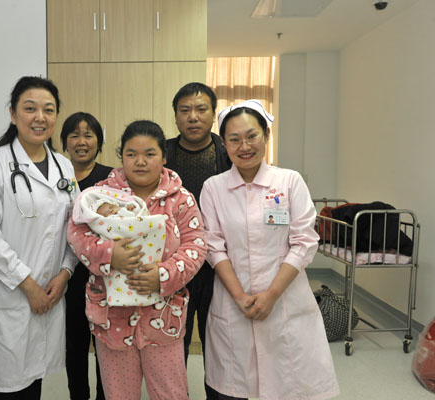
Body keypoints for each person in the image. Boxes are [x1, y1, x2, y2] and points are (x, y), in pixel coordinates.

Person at [199, 100, 339, 399]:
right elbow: (213, 246)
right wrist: (239, 296)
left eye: (252, 136)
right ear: (224, 144)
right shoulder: (213, 187)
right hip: (233, 303)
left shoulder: (289, 181)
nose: (244, 146)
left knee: (289, 384)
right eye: (234, 139)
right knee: (233, 385)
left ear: (266, 135)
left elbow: (304, 242)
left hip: (286, 300)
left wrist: (272, 295)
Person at [68, 120, 207, 400]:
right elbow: (77, 235)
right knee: (118, 395)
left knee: (171, 395)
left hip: (164, 317)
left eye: (149, 154)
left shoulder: (181, 199)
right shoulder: (99, 194)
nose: (140, 162)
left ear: (164, 157)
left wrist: (162, 275)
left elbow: (196, 246)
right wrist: (110, 255)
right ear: (122, 157)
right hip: (112, 320)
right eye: (131, 154)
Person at [0, 76, 79, 399]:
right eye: (30, 108)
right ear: (13, 114)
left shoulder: (64, 167)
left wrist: (65, 273)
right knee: (9, 387)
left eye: (48, 110)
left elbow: (76, 228)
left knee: (33, 382)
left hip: (50, 293)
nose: (40, 117)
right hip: (9, 295)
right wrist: (28, 286)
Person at [165, 82, 231, 398]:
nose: (193, 117)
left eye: (201, 109)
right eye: (185, 110)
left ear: (213, 114)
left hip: (219, 268)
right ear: (176, 116)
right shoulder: (161, 153)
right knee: (172, 345)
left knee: (219, 347)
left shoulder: (229, 154)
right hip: (173, 268)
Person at [60, 112, 112, 400]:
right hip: (67, 274)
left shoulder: (112, 178)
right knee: (75, 346)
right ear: (65, 142)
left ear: (98, 142)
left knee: (106, 346)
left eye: (88, 135)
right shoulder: (56, 176)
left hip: (106, 275)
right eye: (74, 135)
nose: (81, 142)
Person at [73, 185, 166, 308]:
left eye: (111, 208)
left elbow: (191, 245)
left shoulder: (181, 198)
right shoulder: (101, 190)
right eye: (107, 212)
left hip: (162, 310)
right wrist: (108, 253)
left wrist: (165, 276)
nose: (112, 212)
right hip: (109, 310)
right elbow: (78, 238)